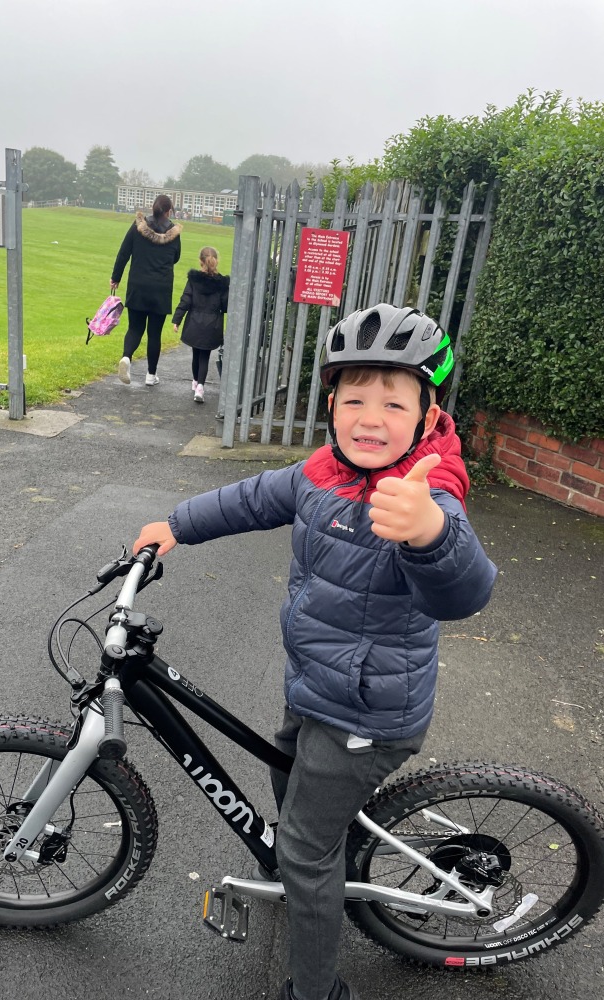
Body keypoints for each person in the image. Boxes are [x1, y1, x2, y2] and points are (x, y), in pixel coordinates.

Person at [133, 303, 498, 1000]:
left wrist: (428, 534)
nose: (370, 417)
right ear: (331, 404)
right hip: (319, 685)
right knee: (284, 765)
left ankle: (317, 987)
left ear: (426, 419)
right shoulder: (322, 472)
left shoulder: (426, 497)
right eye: (354, 397)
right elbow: (251, 499)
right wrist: (177, 524)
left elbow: (464, 592)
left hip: (368, 713)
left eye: (394, 402)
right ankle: (307, 860)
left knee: (304, 845)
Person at [110, 194, 182, 387]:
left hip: (138, 285)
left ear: (152, 208)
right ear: (168, 211)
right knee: (154, 333)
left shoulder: (137, 227)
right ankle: (151, 375)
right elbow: (176, 257)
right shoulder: (174, 233)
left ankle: (126, 358)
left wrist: (116, 277)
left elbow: (124, 252)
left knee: (134, 328)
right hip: (161, 287)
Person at [172, 246, 230, 403]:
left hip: (194, 322)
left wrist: (177, 319)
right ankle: (200, 387)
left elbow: (186, 299)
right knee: (205, 355)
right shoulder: (223, 283)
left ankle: (196, 381)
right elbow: (225, 306)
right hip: (213, 324)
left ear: (200, 261)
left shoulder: (193, 280)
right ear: (216, 261)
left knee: (196, 354)